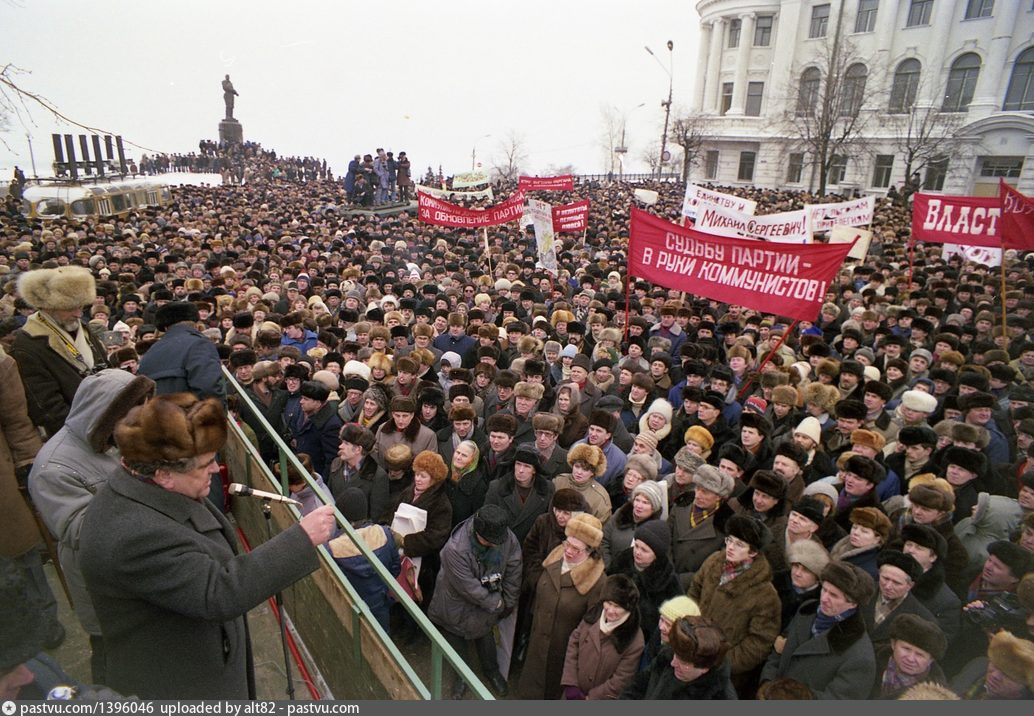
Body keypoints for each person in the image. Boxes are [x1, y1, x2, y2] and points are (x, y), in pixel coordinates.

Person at [78, 393, 337, 699]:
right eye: (204, 463)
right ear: (164, 475)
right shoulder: (132, 536)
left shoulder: (149, 492)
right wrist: (301, 539)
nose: (215, 469)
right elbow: (217, 591)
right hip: (183, 685)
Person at [28, 369, 155, 681]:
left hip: (136, 570)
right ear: (106, 414)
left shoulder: (115, 440)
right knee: (112, 656)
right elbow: (82, 531)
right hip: (103, 585)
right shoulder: (52, 469)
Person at [428, 504, 522, 699]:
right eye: (491, 541)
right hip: (455, 605)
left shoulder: (503, 535)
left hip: (486, 604)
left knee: (485, 635)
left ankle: (491, 671)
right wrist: (496, 604)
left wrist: (509, 600)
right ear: (479, 533)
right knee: (456, 638)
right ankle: (461, 676)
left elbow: (514, 567)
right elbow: (469, 588)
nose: (497, 544)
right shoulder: (455, 549)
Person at [688, 514, 781, 696]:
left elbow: (759, 642)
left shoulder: (765, 595)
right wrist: (688, 629)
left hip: (723, 673)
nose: (730, 547)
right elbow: (695, 588)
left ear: (753, 552)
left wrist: (721, 662)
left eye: (739, 545)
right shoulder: (714, 561)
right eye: (730, 540)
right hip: (692, 650)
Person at [518, 513, 608, 699]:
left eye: (577, 549)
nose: (568, 551)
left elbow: (590, 629)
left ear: (591, 551)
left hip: (561, 656)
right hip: (536, 645)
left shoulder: (597, 582)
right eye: (567, 543)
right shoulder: (556, 555)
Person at [11, 266, 108, 437]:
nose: (78, 314)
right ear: (48, 307)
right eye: (70, 308)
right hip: (75, 434)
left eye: (81, 307)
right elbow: (47, 407)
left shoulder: (83, 329)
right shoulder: (27, 344)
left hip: (104, 419)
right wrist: (90, 433)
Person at [760, 560, 877, 700]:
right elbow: (779, 649)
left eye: (834, 595)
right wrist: (767, 683)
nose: (824, 599)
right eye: (824, 590)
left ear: (852, 603)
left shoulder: (860, 656)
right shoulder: (807, 610)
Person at [560, 574, 644, 700]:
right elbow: (574, 643)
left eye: (617, 606)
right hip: (572, 694)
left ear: (628, 608)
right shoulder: (594, 614)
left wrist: (590, 698)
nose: (610, 610)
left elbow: (620, 680)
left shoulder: (634, 639)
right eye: (609, 603)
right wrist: (571, 683)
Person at [328, 487, 400, 633]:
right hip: (379, 604)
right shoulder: (384, 533)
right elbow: (395, 568)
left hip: (349, 609)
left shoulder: (332, 548)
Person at [621, 615, 737, 700]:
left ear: (705, 668)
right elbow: (636, 689)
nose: (673, 663)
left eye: (684, 663)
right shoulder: (669, 655)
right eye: (675, 655)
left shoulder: (721, 696)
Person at [137, 301, 224, 401]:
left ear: (165, 327)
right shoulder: (199, 344)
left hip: (156, 414)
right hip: (188, 414)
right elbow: (209, 389)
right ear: (195, 324)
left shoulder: (151, 351)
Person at [871, 613, 949, 699]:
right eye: (906, 649)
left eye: (919, 654)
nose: (910, 659)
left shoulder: (935, 696)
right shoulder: (869, 659)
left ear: (931, 659)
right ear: (893, 644)